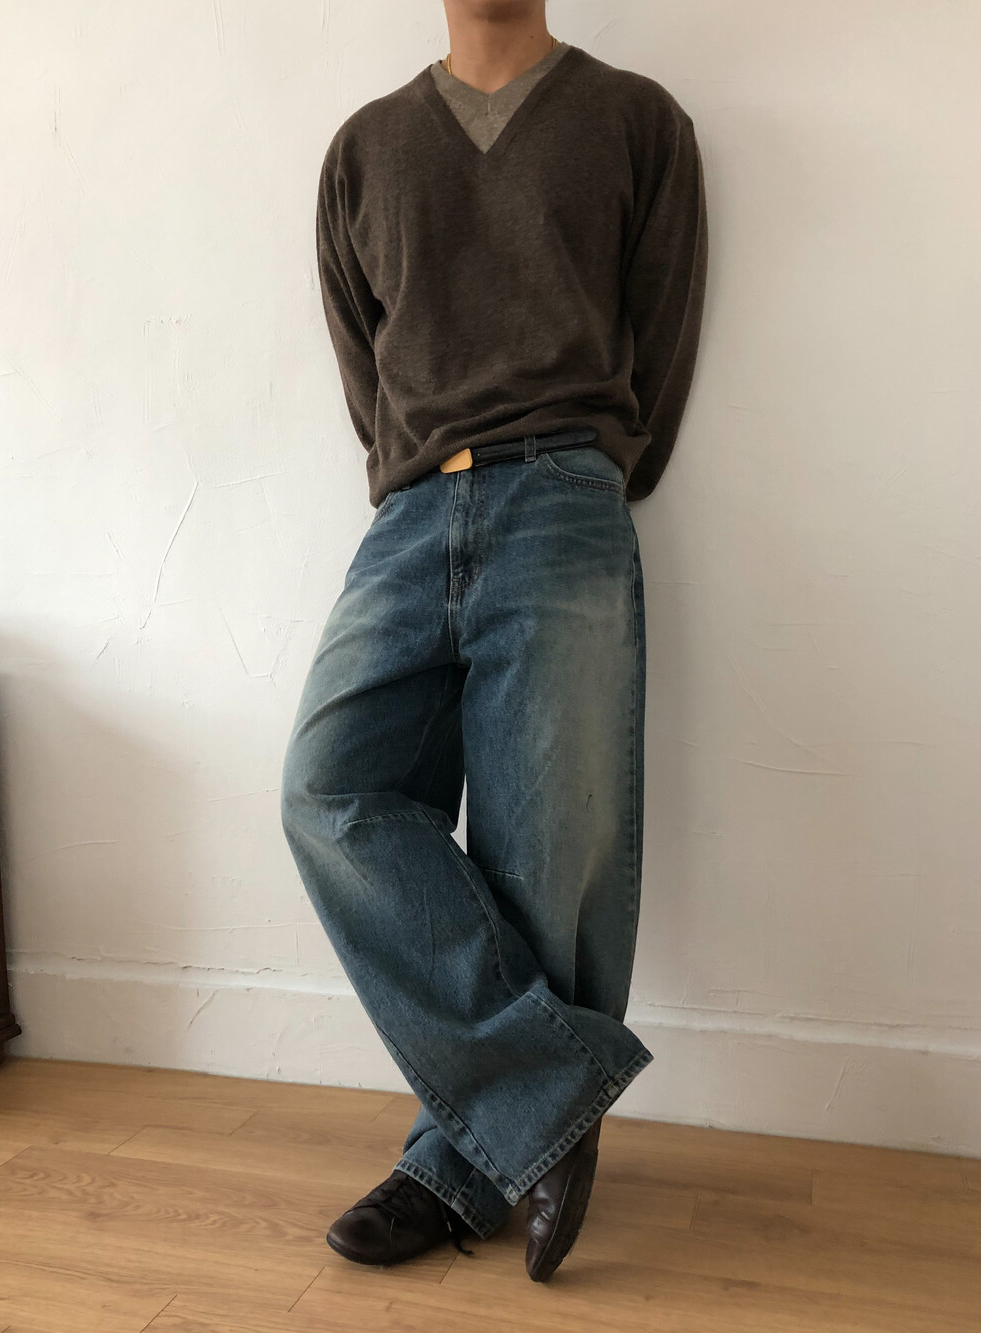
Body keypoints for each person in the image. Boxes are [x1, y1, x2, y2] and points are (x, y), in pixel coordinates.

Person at [279, 0, 708, 1283]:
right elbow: (366, 373)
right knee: (329, 789)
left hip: (565, 492)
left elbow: (660, 341)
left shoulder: (635, 121)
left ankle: (456, 1164)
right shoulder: (363, 150)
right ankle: (551, 1100)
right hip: (412, 515)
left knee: (549, 848)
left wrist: (594, 475)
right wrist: (417, 474)